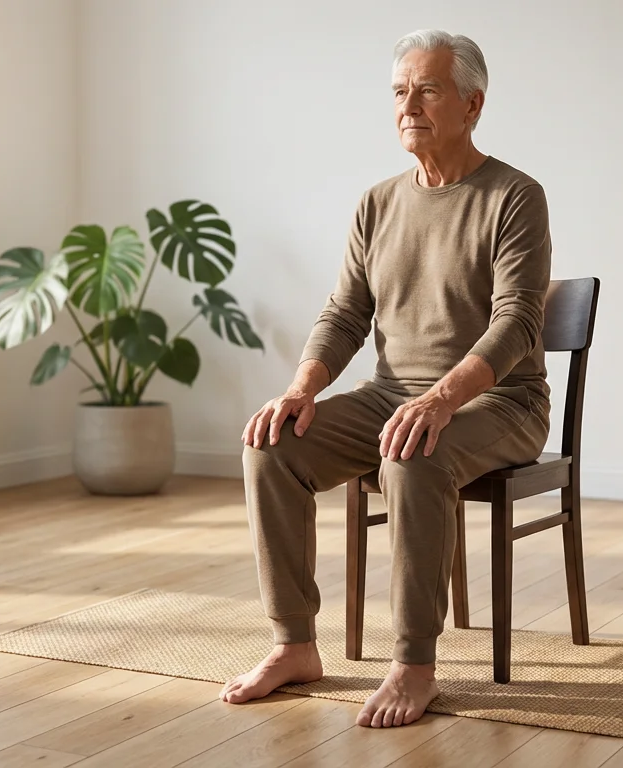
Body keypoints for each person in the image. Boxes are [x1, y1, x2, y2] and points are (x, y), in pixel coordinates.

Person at [222, 29, 554, 728]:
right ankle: (293, 645)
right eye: (401, 92)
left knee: (412, 454)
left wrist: (440, 397)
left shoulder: (514, 196)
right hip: (391, 397)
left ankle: (413, 663)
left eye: (428, 90)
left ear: (473, 103)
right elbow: (344, 313)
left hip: (500, 401)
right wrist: (300, 389)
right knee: (271, 447)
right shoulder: (377, 203)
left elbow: (518, 321)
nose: (410, 106)